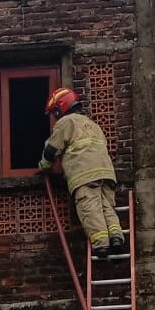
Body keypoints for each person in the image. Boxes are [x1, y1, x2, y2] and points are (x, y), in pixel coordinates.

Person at [38, 87, 124, 259]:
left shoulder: (65, 123)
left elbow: (51, 150)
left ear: (60, 108)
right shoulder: (93, 125)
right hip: (106, 173)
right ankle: (116, 237)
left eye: (54, 112)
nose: (55, 116)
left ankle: (101, 244)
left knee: (90, 208)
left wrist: (43, 167)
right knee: (107, 207)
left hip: (84, 173)